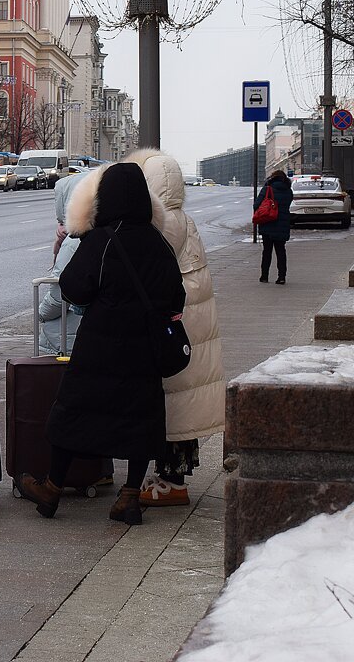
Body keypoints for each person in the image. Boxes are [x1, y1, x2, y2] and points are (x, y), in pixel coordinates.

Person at [17, 163, 186, 525]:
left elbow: (73, 287)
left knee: (72, 413)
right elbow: (177, 297)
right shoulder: (159, 243)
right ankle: (129, 498)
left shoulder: (104, 239)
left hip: (100, 349)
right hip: (144, 354)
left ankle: (51, 489)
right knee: (141, 420)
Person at [125, 149, 225, 507]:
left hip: (175, 327)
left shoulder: (163, 223)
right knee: (183, 403)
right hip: (192, 328)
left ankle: (172, 483)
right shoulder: (185, 218)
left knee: (175, 406)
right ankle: (172, 476)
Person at [37, 174, 86, 355]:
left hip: (66, 335)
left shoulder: (74, 240)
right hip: (79, 331)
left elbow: (61, 293)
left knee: (59, 379)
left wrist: (41, 313)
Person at [255, 169, 293, 285]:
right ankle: (281, 277)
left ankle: (264, 276)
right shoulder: (288, 190)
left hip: (267, 223)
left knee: (267, 251)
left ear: (272, 177)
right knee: (281, 251)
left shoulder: (267, 189)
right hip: (282, 224)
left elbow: (256, 205)